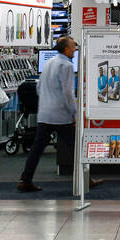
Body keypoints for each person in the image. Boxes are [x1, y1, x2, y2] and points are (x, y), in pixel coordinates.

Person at [17, 35, 78, 192]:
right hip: (61, 115)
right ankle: (85, 179)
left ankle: (25, 179)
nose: (75, 49)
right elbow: (68, 93)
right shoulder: (67, 66)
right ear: (66, 49)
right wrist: (74, 113)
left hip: (45, 113)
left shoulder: (49, 63)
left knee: (37, 149)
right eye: (73, 47)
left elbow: (39, 88)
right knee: (74, 147)